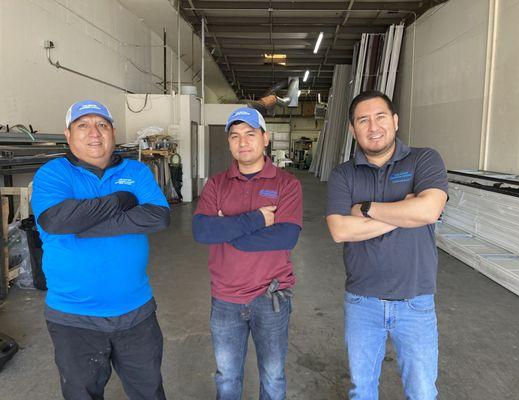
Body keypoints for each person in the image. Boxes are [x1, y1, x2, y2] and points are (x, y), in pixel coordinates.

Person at [31, 100, 170, 400]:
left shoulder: (137, 170)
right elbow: (55, 220)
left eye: (102, 125)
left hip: (137, 314)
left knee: (149, 392)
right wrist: (121, 199)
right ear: (68, 135)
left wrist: (82, 225)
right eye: (83, 125)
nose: (94, 133)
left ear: (113, 132)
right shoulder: (52, 174)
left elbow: (159, 216)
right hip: (74, 318)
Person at [326, 90, 448, 400]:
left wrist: (366, 208)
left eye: (380, 117)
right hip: (361, 301)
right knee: (362, 391)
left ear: (394, 121)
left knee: (422, 392)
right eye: (363, 120)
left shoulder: (424, 159)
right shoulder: (343, 173)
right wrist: (405, 212)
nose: (373, 127)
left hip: (415, 301)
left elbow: (429, 210)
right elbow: (340, 230)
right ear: (353, 130)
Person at [192, 107, 303, 400]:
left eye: (250, 134)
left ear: (265, 139)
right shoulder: (216, 184)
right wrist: (255, 220)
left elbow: (287, 235)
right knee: (227, 378)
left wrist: (230, 233)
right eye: (235, 136)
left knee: (273, 375)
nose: (243, 142)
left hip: (271, 296)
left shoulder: (286, 184)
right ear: (229, 143)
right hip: (226, 297)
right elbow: (202, 231)